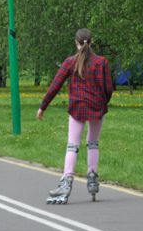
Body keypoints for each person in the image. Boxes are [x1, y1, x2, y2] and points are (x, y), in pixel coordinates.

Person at [37, 28, 113, 204]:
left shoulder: (70, 62)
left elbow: (55, 85)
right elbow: (108, 88)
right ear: (91, 42)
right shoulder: (101, 62)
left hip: (77, 108)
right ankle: (92, 176)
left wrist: (43, 107)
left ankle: (66, 182)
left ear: (76, 43)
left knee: (72, 145)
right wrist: (103, 102)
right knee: (93, 142)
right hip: (97, 107)